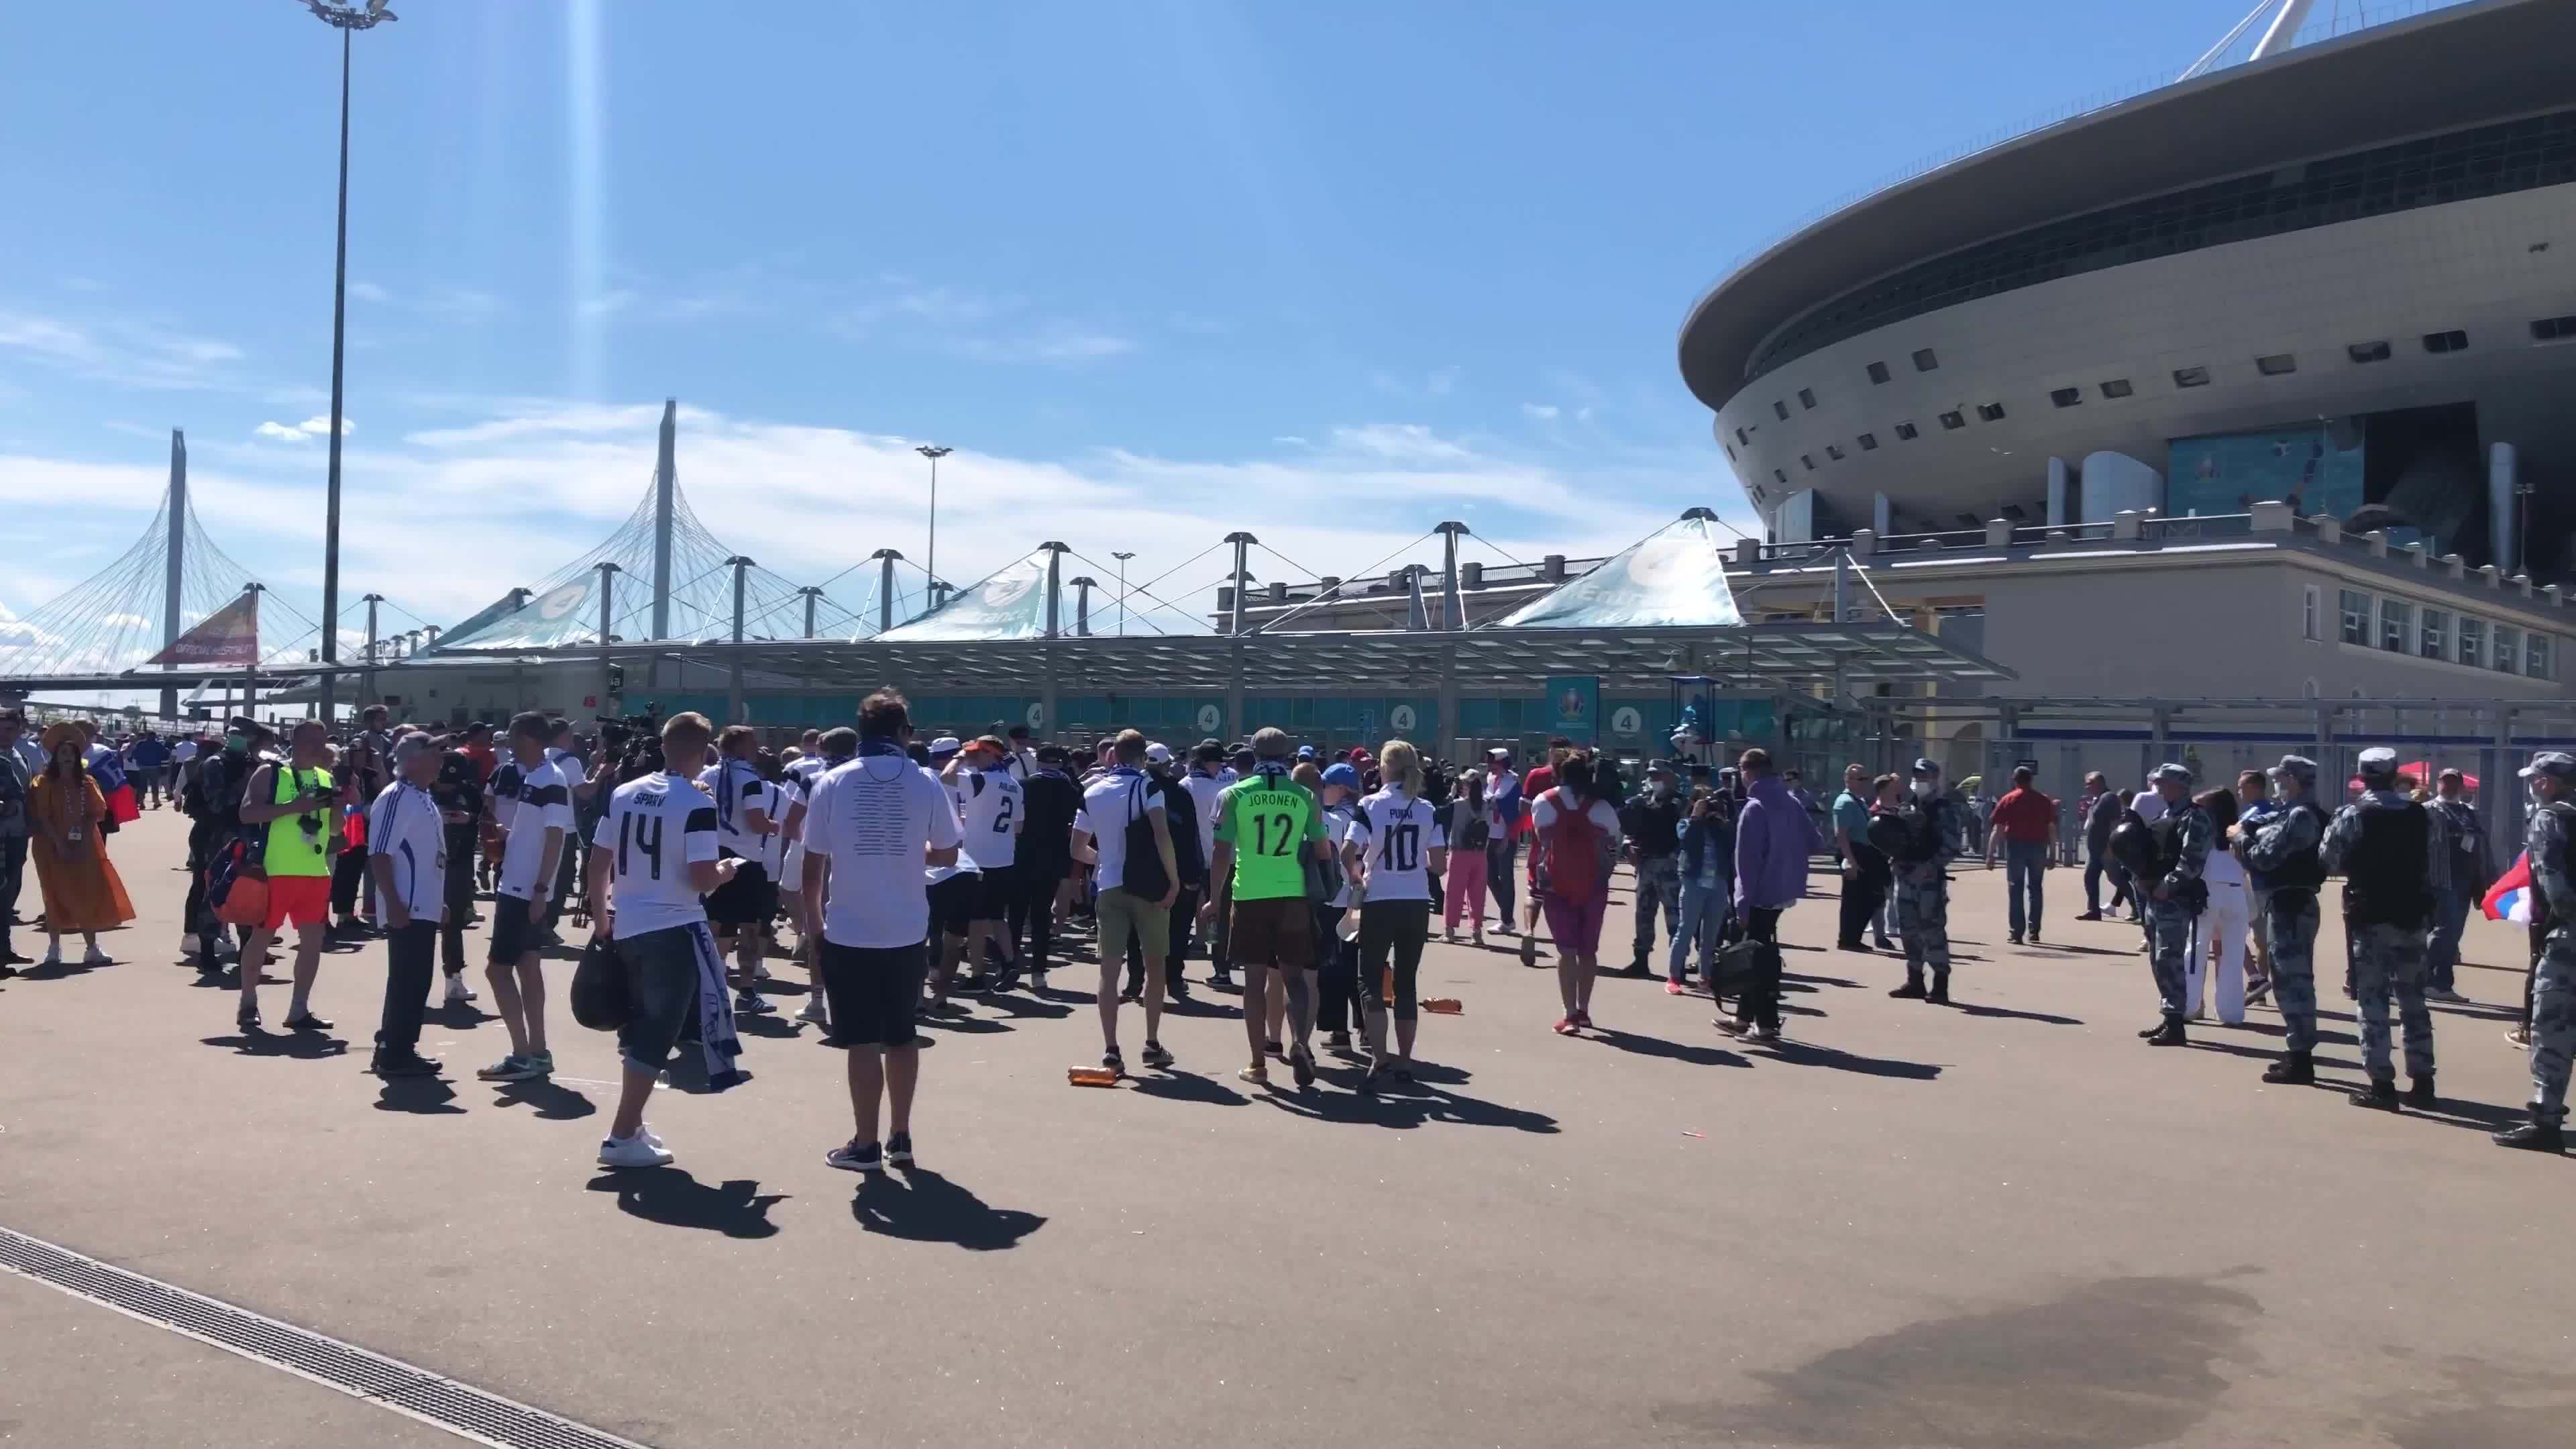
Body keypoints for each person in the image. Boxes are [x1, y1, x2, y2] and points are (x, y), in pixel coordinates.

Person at [800, 692, 961, 1171]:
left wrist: (814, 925)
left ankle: (865, 1143)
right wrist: (915, 854)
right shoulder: (926, 781)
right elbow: (950, 854)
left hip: (848, 927)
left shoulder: (832, 781)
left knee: (861, 1041)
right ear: (904, 732)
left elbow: (813, 865)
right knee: (902, 1035)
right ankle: (901, 1135)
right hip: (908, 927)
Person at [589, 712, 745, 1169]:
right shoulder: (695, 804)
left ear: (663, 746)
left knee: (642, 1028)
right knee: (658, 1031)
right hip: (673, 926)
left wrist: (602, 920)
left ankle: (632, 1125)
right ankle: (620, 1134)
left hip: (629, 921)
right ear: (704, 751)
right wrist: (726, 872)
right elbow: (700, 878)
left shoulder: (623, 792)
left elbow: (598, 863)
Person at [1203, 727, 1333, 1087]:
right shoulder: (1305, 796)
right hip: (1293, 894)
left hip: (1249, 895)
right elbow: (1322, 851)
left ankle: (1258, 1062)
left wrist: (1215, 897)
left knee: (1256, 980)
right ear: (1287, 755)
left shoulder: (1233, 795)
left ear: (1253, 755)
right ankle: (1301, 1043)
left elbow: (1220, 854)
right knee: (1295, 977)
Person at [2321, 746, 2440, 1110]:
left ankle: (2382, 1084)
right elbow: (2431, 857)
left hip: (2370, 914)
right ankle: (2423, 1081)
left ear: (2361, 776)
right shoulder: (2420, 815)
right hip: (2412, 915)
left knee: (2372, 1000)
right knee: (2413, 998)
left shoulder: (2353, 814)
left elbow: (2328, 859)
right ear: (2393, 775)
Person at [1070, 729, 1181, 1075]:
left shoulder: (1092, 792)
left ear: (1112, 756)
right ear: (1142, 756)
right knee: (1155, 965)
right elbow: (1162, 835)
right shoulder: (1149, 787)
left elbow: (1077, 849)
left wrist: (1103, 860)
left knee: (1109, 969)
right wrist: (1173, 881)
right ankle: (1151, 1041)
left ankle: (1111, 1049)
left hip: (1109, 887)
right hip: (1148, 886)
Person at [1344, 739, 1448, 1091]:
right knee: (1406, 981)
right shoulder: (1427, 809)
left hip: (1379, 900)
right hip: (1416, 900)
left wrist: (1358, 877)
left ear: (1384, 768)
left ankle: (1379, 1057)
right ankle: (1405, 1060)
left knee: (1370, 979)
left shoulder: (1369, 805)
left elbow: (1348, 851)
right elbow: (1438, 865)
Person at [478, 712, 575, 1083]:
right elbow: (540, 834)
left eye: (514, 740)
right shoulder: (538, 777)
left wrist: (539, 890)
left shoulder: (549, 777)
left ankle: (523, 1055)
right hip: (521, 885)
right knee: (527, 966)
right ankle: (537, 1050)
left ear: (530, 740)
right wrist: (510, 838)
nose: (509, 748)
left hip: (523, 890)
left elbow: (555, 837)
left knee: (497, 970)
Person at [235, 719, 345, 1031]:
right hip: (275, 871)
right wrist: (296, 806)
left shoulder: (326, 777)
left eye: (321, 741)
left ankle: (299, 1008)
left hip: (315, 872)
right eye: (310, 740)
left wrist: (338, 807)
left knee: (312, 942)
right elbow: (247, 813)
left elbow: (336, 829)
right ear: (294, 741)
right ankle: (248, 1003)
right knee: (262, 938)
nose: (316, 746)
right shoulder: (271, 773)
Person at [2237, 755, 2330, 1086]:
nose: (2277, 784)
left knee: (2293, 981)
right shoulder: (2298, 813)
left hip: (2292, 901)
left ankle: (2301, 1057)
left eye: (2281, 778)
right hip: (2291, 900)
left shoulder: (2301, 815)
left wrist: (2241, 837)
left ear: (2292, 780)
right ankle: (2297, 1052)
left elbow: (2265, 856)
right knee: (2288, 979)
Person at [365, 732, 450, 1077]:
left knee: (416, 981)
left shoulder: (421, 797)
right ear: (412, 759)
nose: (440, 760)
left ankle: (397, 1045)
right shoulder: (397, 797)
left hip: (423, 905)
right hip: (407, 906)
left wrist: (438, 901)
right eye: (434, 753)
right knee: (407, 980)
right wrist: (394, 903)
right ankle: (394, 1052)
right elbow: (380, 854)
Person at [1721, 747, 1815, 1040]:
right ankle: (1749, 1020)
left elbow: (1746, 864)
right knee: (1761, 956)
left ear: (1748, 772)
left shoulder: (1754, 807)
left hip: (1759, 893)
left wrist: (1742, 905)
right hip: (1784, 891)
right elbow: (1816, 841)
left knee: (1754, 960)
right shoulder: (1791, 801)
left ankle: (1764, 1025)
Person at [25, 721, 136, 968]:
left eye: (72, 754)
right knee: (53, 893)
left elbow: (96, 814)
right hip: (49, 846)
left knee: (87, 892)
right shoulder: (42, 783)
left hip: (85, 845)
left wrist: (82, 839)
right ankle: (54, 947)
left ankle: (92, 947)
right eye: (63, 753)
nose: (67, 758)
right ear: (55, 756)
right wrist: (59, 843)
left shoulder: (87, 783)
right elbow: (41, 816)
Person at [1529, 751, 1618, 1033]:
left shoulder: (1544, 802)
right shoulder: (1602, 806)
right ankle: (1583, 1011)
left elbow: (1541, 839)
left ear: (1558, 773)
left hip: (1557, 885)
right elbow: (1615, 841)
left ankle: (1568, 1015)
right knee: (1588, 951)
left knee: (1566, 951)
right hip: (1594, 885)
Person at [698, 726, 780, 1018]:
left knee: (712, 924)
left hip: (711, 855)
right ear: (741, 746)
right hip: (745, 861)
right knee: (749, 927)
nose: (757, 747)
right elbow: (756, 822)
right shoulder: (750, 779)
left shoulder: (707, 774)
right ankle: (746, 991)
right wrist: (773, 827)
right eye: (752, 742)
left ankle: (705, 989)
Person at [2132, 764, 2214, 1047]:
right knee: (2158, 959)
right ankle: (2170, 1016)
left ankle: (2177, 1024)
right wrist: (2142, 878)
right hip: (2156, 895)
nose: (2158, 787)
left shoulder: (2196, 817)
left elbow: (2193, 857)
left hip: (2175, 897)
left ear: (2180, 786)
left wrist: (2170, 884)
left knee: (2170, 957)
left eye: (2164, 783)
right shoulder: (2165, 815)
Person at [1123, 743, 1205, 1003]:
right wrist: (1193, 876)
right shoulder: (1180, 794)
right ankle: (1175, 980)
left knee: (1136, 932)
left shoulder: (1136, 790)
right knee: (1178, 931)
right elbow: (1191, 837)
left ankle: (1135, 980)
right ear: (1167, 765)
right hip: (1178, 871)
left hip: (1140, 872)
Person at [945, 735, 1024, 997]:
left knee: (977, 922)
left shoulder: (980, 780)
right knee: (997, 916)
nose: (972, 758)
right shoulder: (1014, 784)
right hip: (1004, 859)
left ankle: (978, 976)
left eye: (978, 754)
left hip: (979, 860)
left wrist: (958, 756)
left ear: (991, 756)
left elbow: (946, 776)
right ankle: (1010, 962)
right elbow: (1018, 827)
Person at [1888, 758, 1965, 1003]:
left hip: (1929, 880)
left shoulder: (1944, 809)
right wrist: (1895, 858)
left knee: (1932, 930)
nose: (1919, 781)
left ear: (1934, 779)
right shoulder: (1907, 806)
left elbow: (1952, 844)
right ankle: (1915, 981)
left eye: (1924, 777)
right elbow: (1898, 839)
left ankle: (1940, 984)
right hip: (1906, 876)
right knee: (1908, 930)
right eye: (1917, 776)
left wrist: (1932, 866)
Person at [1013, 743, 1080, 992]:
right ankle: (1039, 970)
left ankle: (1010, 964)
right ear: (1061, 763)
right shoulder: (1069, 789)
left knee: (1018, 913)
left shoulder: (1023, 786)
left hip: (1023, 855)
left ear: (1038, 762)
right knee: (1042, 916)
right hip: (1053, 858)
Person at [2422, 768, 2490, 1004]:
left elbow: (2482, 846)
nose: (2449, 786)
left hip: (2466, 883)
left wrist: (2485, 879)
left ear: (2462, 786)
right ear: (2437, 784)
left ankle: (2441, 984)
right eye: (2445, 782)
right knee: (2444, 932)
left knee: (2453, 935)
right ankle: (2416, 979)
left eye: (2454, 782)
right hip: (2438, 880)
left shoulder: (2470, 813)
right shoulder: (2427, 811)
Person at [429, 731, 486, 1008]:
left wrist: (470, 818)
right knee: (420, 926)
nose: (446, 788)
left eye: (451, 783)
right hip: (426, 867)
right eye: (442, 782)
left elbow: (485, 818)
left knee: (453, 923)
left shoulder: (470, 793)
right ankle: (415, 982)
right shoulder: (423, 792)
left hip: (459, 864)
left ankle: (454, 980)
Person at [2186, 788, 2249, 1027]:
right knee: (2233, 954)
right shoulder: (2239, 830)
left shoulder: (2201, 830)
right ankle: (2230, 1012)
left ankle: (2189, 1007)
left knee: (2196, 949)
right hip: (2236, 891)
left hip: (2207, 890)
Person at [1621, 760, 1685, 977]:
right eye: (1651, 775)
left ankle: (1678, 966)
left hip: (1669, 867)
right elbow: (1630, 828)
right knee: (1644, 914)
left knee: (1674, 917)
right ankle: (1641, 962)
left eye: (1658, 776)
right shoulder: (1642, 802)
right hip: (1645, 864)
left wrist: (1675, 857)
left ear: (1669, 777)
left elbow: (1687, 835)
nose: (1653, 780)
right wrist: (1628, 846)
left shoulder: (1680, 804)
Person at [1669, 782, 1732, 989]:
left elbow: (1733, 843)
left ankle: (1705, 977)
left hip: (1717, 884)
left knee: (1710, 936)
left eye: (1710, 801)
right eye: (1704, 801)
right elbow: (1686, 842)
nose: (1708, 806)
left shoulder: (1720, 825)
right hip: (1694, 883)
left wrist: (1724, 814)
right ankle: (1674, 977)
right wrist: (1696, 817)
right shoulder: (1685, 823)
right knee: (1685, 930)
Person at [1181, 741, 1234, 986]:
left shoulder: (1186, 786)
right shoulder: (1226, 787)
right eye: (1218, 761)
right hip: (1221, 858)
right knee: (1219, 915)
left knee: (1186, 915)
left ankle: (1177, 968)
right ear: (1206, 761)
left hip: (1196, 858)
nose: (1221, 765)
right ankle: (1220, 967)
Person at [1990, 764, 2055, 945]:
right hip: (2038, 847)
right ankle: (2034, 931)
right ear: (2031, 780)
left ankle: (2016, 932)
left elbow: (1998, 828)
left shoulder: (2009, 799)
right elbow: (2051, 829)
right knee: (2036, 889)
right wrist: (2053, 853)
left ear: (2015, 780)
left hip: (2016, 847)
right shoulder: (2044, 800)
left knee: (2016, 889)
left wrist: (1991, 853)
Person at [2235, 769, 2279, 1006]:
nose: (2239, 790)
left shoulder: (2257, 814)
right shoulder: (2273, 811)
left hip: (2256, 883)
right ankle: (2260, 986)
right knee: (2262, 939)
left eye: (2242, 785)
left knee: (2260, 938)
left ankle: (2259, 984)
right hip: (2264, 882)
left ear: (2254, 787)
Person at [1442, 766, 1492, 946]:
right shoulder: (1486, 805)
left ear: (1467, 786)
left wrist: (1451, 794)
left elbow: (1439, 813)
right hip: (1480, 854)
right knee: (1477, 894)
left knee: (1454, 893)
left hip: (1459, 852)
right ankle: (1476, 932)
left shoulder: (1457, 805)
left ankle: (1450, 931)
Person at [0, 709, 32, 969]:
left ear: (19, 731)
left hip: (18, 834)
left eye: (9, 729)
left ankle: (5, 948)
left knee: (10, 894)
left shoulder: (20, 757)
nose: (3, 734)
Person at [125, 729, 170, 810]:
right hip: (155, 768)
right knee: (155, 785)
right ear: (155, 736)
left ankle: (142, 803)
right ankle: (156, 802)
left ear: (147, 736)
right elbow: (166, 753)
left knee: (142, 786)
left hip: (142, 767)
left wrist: (132, 759)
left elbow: (134, 753)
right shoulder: (158, 744)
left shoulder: (141, 743)